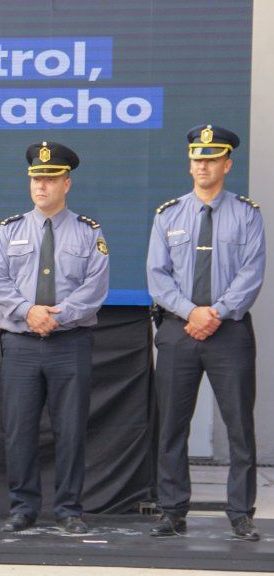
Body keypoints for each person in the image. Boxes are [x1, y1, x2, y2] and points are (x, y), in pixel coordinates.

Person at [146, 125, 264, 542]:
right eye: (197, 158)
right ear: (189, 163)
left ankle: (240, 514)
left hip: (228, 332)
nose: (202, 165)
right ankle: (172, 511)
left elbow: (252, 274)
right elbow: (158, 278)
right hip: (179, 332)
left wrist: (215, 312)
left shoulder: (248, 214)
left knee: (238, 427)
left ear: (226, 164)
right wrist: (191, 312)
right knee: (172, 427)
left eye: (211, 159)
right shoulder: (168, 214)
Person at [0, 142, 109, 534]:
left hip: (69, 342)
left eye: (50, 179)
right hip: (20, 343)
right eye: (36, 179)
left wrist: (58, 316)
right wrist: (29, 312)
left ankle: (69, 509)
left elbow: (95, 287)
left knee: (70, 428)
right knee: (20, 428)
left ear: (66, 183)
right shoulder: (10, 230)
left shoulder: (90, 232)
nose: (41, 186)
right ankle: (22, 507)